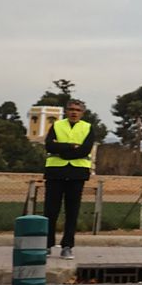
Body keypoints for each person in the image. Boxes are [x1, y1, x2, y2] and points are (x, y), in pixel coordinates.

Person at [43, 99, 95, 259]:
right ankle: (47, 245)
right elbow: (49, 146)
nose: (74, 112)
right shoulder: (57, 125)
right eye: (71, 109)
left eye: (77, 110)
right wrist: (71, 146)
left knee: (72, 212)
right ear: (66, 111)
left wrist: (63, 148)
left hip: (77, 173)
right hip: (56, 172)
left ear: (82, 113)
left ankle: (67, 246)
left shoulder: (87, 128)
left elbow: (85, 149)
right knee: (51, 211)